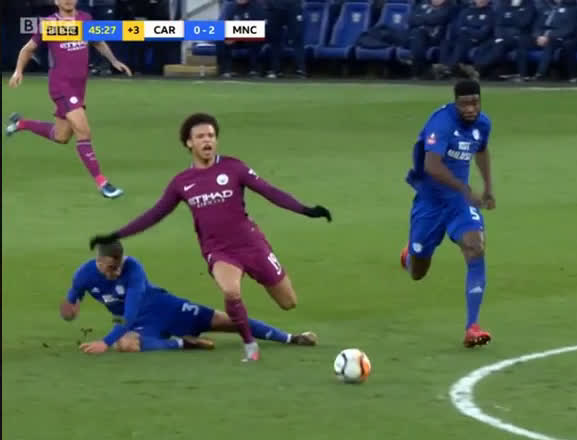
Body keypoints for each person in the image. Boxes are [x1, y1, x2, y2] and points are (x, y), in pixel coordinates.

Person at [89, 113, 332, 361]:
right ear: (189, 143)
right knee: (231, 293)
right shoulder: (182, 183)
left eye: (211, 136)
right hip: (219, 251)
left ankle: (267, 337)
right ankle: (250, 346)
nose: (207, 141)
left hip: (252, 244)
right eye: (201, 136)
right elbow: (155, 214)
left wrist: (305, 210)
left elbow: (269, 191)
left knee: (288, 302)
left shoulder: (234, 167)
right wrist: (117, 234)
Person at [65, 240, 318, 355]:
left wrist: (105, 342)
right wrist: (69, 310)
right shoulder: (84, 275)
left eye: (119, 266)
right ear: (99, 262)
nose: (116, 272)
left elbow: (129, 312)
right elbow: (72, 299)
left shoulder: (134, 269)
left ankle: (291, 338)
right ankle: (183, 344)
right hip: (141, 325)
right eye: (111, 268)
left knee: (228, 321)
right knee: (126, 345)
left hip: (166, 308)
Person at [6, 0, 131, 199]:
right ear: (56, 1)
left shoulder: (85, 19)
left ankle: (21, 123)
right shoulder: (49, 24)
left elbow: (98, 42)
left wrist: (114, 61)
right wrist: (18, 71)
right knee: (84, 131)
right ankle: (103, 184)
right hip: (61, 86)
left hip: (79, 87)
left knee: (61, 136)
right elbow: (28, 49)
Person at [401, 80, 493, 348]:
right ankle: (410, 255)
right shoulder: (441, 123)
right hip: (430, 203)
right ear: (456, 103)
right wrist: (464, 188)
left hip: (459, 203)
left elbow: (481, 149)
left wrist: (487, 187)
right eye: (464, 104)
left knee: (476, 247)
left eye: (475, 102)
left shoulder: (483, 124)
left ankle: (472, 326)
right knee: (418, 272)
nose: (470, 108)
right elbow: (432, 166)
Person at [432, 0, 495, 79]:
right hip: (463, 38)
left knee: (462, 42)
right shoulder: (466, 11)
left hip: (480, 42)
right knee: (445, 43)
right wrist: (472, 30)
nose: (481, 1)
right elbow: (458, 28)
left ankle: (449, 68)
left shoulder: (491, 13)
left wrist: (467, 29)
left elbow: (483, 33)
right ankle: (443, 67)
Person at [218, 0, 266, 78]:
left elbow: (259, 26)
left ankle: (254, 70)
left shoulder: (256, 6)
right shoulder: (229, 7)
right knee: (221, 41)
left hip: (250, 37)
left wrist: (237, 35)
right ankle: (226, 71)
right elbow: (222, 24)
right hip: (234, 37)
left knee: (256, 41)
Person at [265, 0, 307, 78]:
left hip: (293, 6)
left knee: (297, 37)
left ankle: (301, 70)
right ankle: (275, 69)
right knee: (274, 38)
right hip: (274, 7)